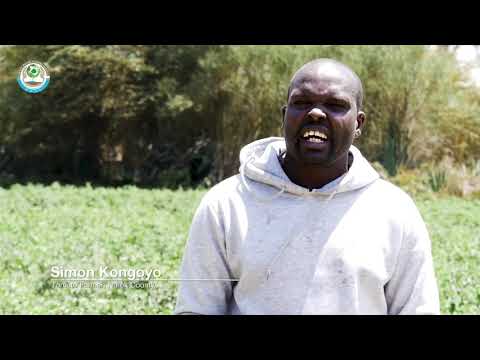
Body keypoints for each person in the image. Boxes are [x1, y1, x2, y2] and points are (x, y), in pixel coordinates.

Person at [174, 58, 440, 315]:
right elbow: (197, 308)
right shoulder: (227, 203)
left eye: (335, 104)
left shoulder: (394, 211)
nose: (315, 113)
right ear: (284, 115)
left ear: (358, 123)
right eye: (301, 103)